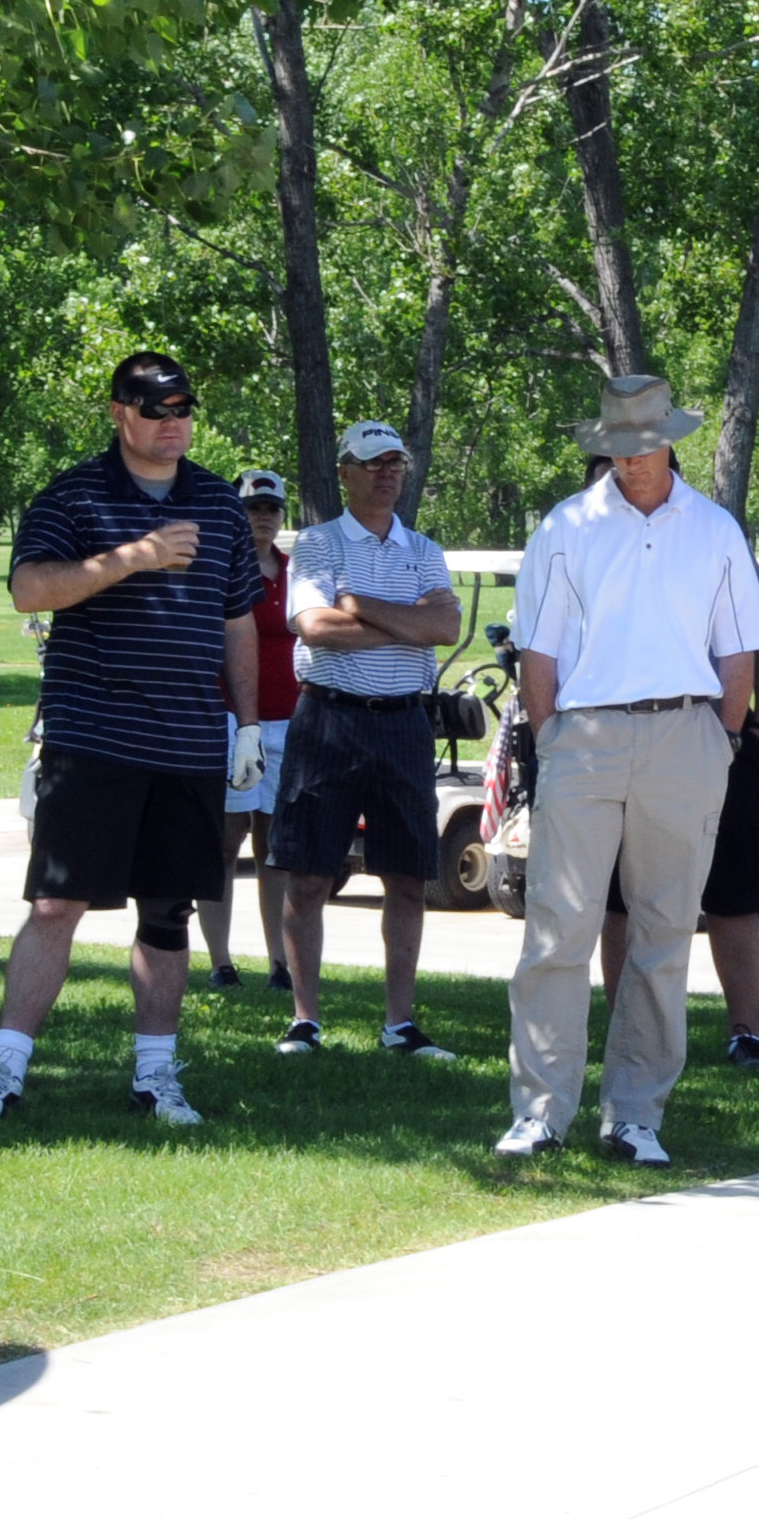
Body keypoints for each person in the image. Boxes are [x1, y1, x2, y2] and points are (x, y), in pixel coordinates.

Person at [0, 352, 261, 1127]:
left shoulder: (221, 504)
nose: (172, 424)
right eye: (156, 411)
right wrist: (136, 557)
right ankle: (4, 1072)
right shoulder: (74, 494)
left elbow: (237, 620)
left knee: (168, 911)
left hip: (189, 739)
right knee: (57, 903)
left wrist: (248, 724)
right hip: (93, 734)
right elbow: (30, 588)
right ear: (120, 414)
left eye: (183, 410)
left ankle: (156, 1078)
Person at [498, 376, 759, 1166]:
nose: (631, 460)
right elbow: (539, 653)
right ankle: (541, 1112)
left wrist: (721, 736)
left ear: (669, 440)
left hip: (686, 736)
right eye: (617, 447)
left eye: (643, 444)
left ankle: (635, 1113)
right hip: (581, 738)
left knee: (662, 933)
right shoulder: (568, 526)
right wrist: (550, 741)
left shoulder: (715, 529)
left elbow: (740, 647)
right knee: (558, 928)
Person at [269, 420, 462, 1059]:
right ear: (346, 471)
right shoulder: (318, 544)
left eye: (395, 464)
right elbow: (316, 628)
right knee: (309, 875)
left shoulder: (424, 548)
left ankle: (399, 1024)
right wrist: (408, 626)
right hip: (328, 719)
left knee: (407, 875)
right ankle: (305, 1019)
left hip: (405, 722)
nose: (386, 474)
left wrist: (361, 604)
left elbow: (445, 624)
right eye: (373, 463)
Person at [599, 505, 759, 1069]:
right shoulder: (591, 546)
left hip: (721, 740)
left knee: (732, 892)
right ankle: (628, 1032)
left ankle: (746, 1034)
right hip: (621, 741)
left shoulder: (717, 543)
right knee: (623, 898)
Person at [141, 468, 297, 993]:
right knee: (226, 842)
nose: (262, 518)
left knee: (274, 842)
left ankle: (280, 960)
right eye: (253, 509)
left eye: (271, 509)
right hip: (228, 714)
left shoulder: (294, 572)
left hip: (285, 716)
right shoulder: (217, 566)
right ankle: (221, 959)